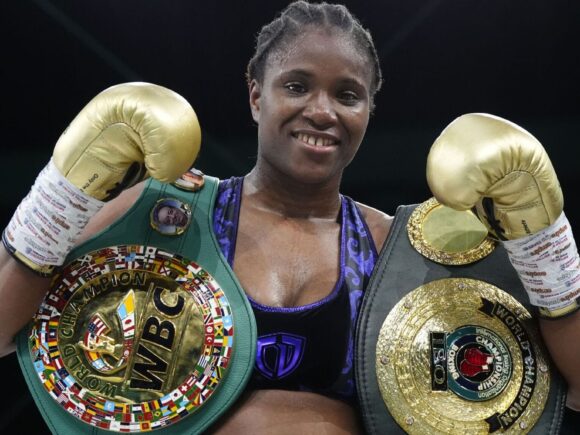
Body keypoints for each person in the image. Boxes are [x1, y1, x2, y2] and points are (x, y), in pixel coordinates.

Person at [0, 1, 578, 434]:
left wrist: (542, 237)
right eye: (297, 86)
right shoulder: (165, 216)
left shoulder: (403, 253)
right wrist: (63, 192)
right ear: (256, 97)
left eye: (348, 95)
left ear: (370, 110)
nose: (321, 111)